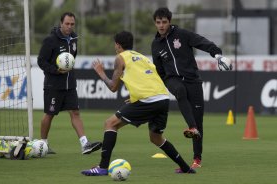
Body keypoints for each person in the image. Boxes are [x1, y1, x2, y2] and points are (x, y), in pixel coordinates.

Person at [81, 31, 196, 176]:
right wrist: (135, 96)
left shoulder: (120, 58)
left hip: (148, 100)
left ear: (117, 45)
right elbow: (146, 78)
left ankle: (103, 167)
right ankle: (185, 167)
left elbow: (113, 87)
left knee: (110, 124)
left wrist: (101, 72)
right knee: (156, 138)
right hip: (162, 98)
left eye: (115, 44)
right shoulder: (142, 57)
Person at [151, 7, 232, 169]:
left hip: (193, 81)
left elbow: (202, 42)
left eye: (164, 22)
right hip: (172, 79)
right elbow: (158, 70)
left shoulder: (182, 35)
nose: (161, 25)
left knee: (198, 119)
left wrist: (217, 54)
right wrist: (158, 86)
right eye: (158, 22)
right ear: (155, 23)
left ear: (169, 21)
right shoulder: (155, 45)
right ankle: (192, 127)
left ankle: (197, 159)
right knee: (180, 91)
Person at [37, 12, 102, 155]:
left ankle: (85, 144)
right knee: (49, 114)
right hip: (53, 85)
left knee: (75, 112)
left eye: (72, 24)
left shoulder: (74, 39)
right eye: (67, 24)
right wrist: (55, 70)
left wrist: (67, 70)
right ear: (61, 23)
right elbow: (41, 61)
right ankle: (43, 144)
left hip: (70, 84)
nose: (69, 27)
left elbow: (71, 59)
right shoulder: (50, 40)